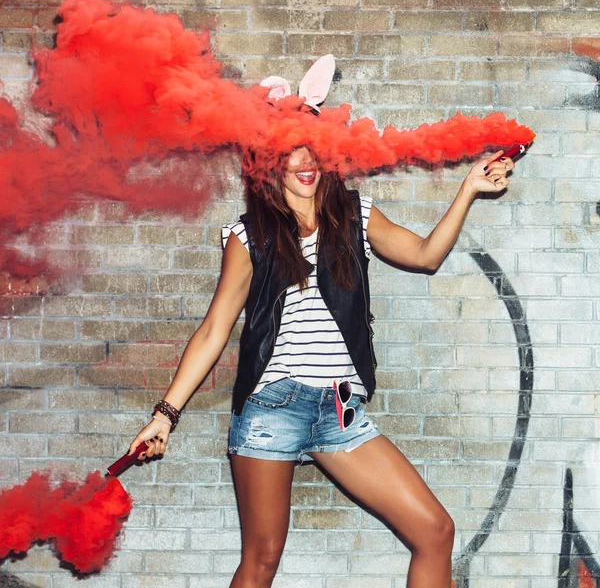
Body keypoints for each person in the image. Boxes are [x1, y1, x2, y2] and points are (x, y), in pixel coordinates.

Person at [128, 139, 514, 587]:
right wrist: (166, 414)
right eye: (291, 153)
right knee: (262, 559)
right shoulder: (249, 235)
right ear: (269, 164)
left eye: (312, 150)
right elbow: (215, 330)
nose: (305, 162)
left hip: (339, 412)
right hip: (273, 407)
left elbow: (425, 256)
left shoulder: (355, 216)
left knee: (435, 530)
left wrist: (467, 187)